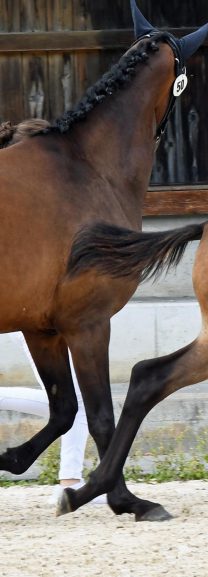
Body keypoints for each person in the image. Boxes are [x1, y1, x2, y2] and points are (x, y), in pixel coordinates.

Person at [0, 119, 105, 504]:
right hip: (34, 310)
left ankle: (69, 479)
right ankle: (70, 481)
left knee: (71, 398)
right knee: (72, 399)